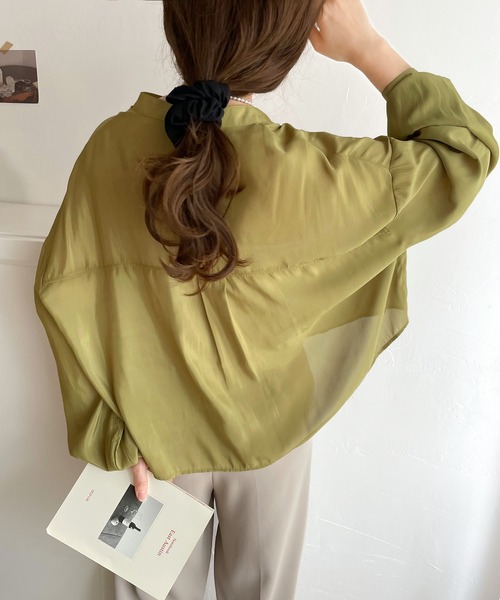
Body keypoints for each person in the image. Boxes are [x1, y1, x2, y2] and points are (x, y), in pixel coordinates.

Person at [33, 1, 498, 599]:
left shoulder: (109, 148)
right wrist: (366, 47)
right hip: (270, 432)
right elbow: (463, 152)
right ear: (286, 44)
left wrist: (110, 434)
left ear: (177, 26)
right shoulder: (318, 174)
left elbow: (62, 290)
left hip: (146, 443)